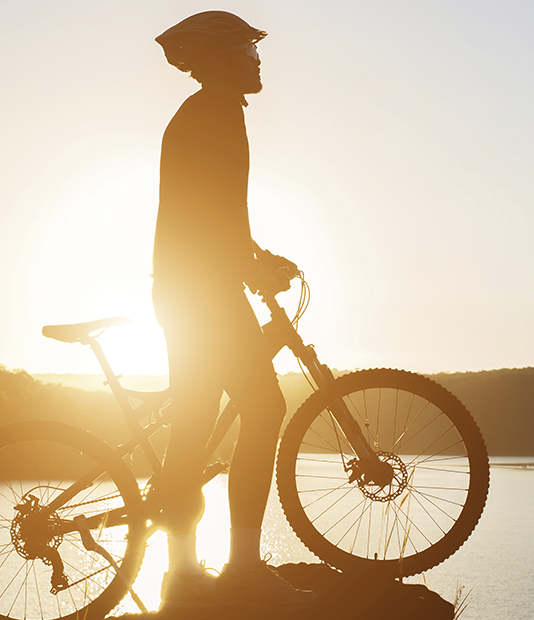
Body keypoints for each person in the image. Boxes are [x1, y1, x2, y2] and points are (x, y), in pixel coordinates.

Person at [148, 10, 316, 611]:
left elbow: (219, 213)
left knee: (193, 422)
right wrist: (254, 268)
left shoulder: (206, 113)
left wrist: (256, 258)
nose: (257, 56)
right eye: (247, 46)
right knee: (265, 406)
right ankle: (241, 568)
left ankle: (183, 572)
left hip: (186, 288)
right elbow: (214, 217)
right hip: (203, 292)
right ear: (220, 58)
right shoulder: (214, 115)